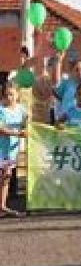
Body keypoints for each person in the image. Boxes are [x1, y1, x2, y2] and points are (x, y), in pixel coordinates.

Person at [0, 82, 27, 217]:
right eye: (6, 94)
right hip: (1, 149)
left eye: (11, 94)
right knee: (5, 176)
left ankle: (2, 206)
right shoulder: (1, 110)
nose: (9, 97)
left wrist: (27, 128)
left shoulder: (22, 110)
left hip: (12, 150)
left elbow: (27, 123)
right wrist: (18, 134)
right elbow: (1, 129)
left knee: (6, 177)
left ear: (17, 95)